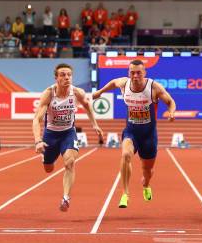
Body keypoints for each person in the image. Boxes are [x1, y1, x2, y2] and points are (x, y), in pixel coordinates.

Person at [93, 59, 176, 208]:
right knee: (125, 155)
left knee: (148, 170)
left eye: (139, 72)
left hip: (149, 135)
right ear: (128, 73)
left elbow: (170, 101)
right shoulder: (124, 83)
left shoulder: (153, 87)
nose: (135, 76)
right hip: (131, 131)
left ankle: (146, 184)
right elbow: (113, 83)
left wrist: (171, 112)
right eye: (132, 72)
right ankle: (125, 193)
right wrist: (100, 92)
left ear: (144, 73)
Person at [33, 63, 104, 211]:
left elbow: (87, 105)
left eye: (69, 75)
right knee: (48, 168)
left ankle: (66, 197)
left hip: (68, 133)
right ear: (56, 78)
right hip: (51, 135)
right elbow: (37, 119)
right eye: (63, 75)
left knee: (69, 162)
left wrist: (94, 124)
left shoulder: (77, 92)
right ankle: (46, 159)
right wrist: (38, 141)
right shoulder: (49, 93)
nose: (66, 77)